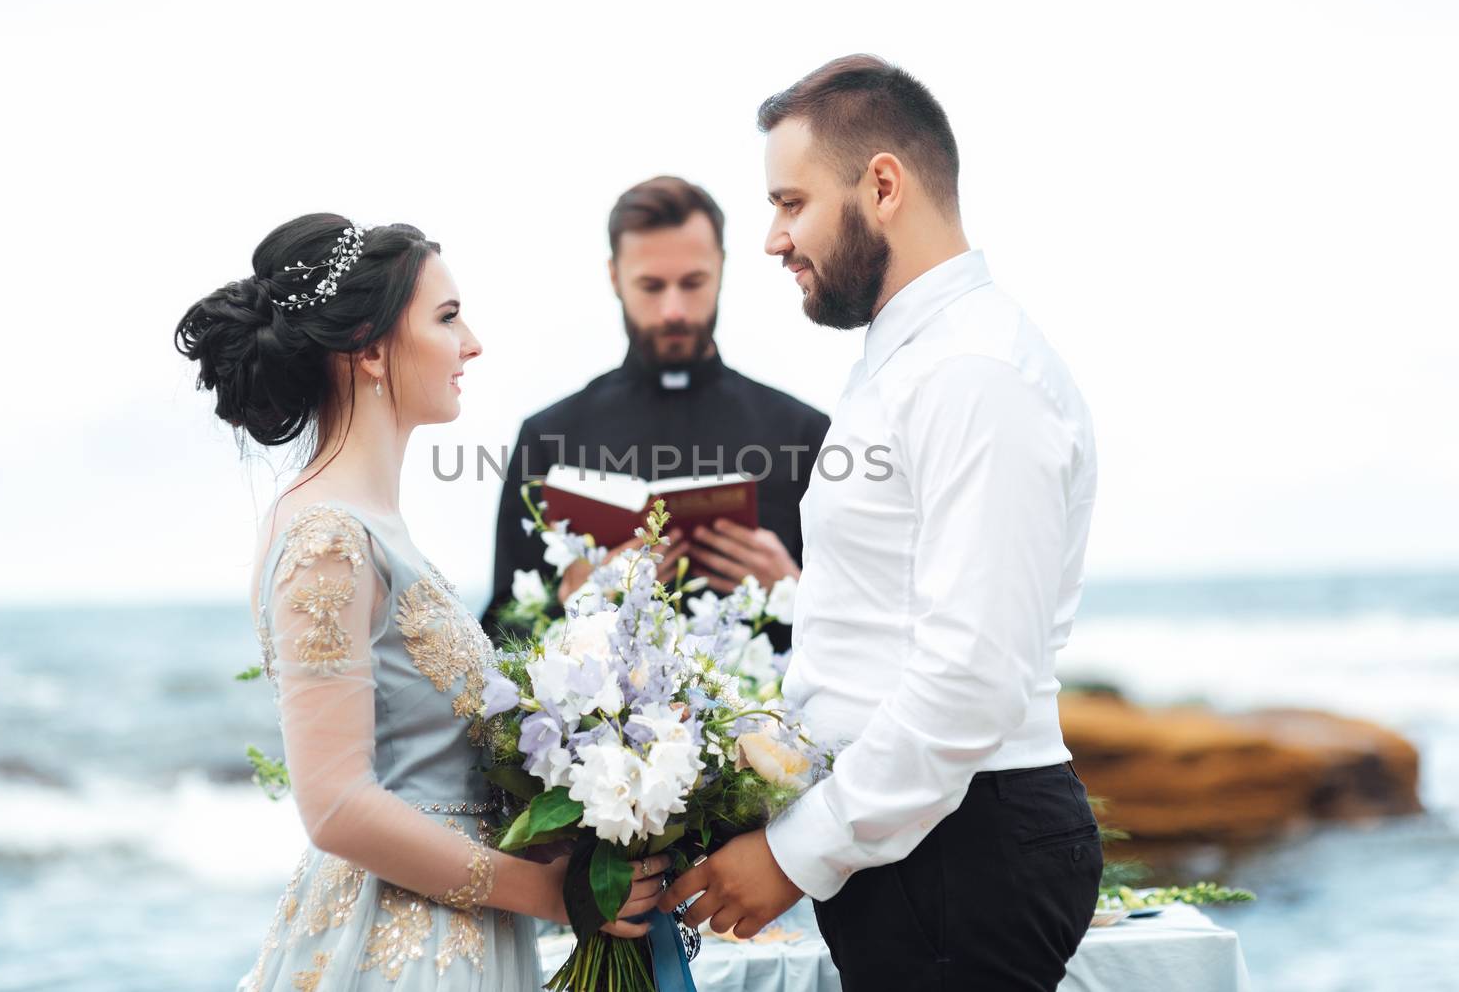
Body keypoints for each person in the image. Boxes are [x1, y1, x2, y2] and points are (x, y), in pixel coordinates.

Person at [660, 56, 1104, 991]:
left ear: (884, 185)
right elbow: (874, 626)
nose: (776, 239)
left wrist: (797, 852)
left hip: (963, 851)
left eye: (791, 202)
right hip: (922, 846)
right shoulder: (906, 362)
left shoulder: (972, 373)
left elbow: (970, 679)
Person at [175, 214, 669, 990]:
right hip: (405, 948)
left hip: (460, 929)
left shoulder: (377, 529)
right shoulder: (328, 541)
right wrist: (550, 894)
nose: (472, 343)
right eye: (446, 318)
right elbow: (336, 805)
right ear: (370, 349)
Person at [486, 176, 830, 650]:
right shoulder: (549, 436)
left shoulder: (804, 431)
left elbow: (866, 627)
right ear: (614, 277)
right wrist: (579, 599)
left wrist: (794, 588)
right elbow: (499, 635)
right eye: (651, 285)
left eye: (693, 283)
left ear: (722, 269)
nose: (673, 310)